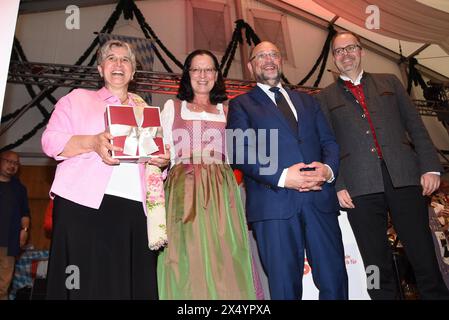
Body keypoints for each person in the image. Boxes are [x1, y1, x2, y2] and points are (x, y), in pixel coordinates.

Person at [317, 31, 449, 300]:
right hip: (358, 186)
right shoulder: (324, 97)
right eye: (339, 51)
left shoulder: (390, 82)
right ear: (333, 57)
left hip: (404, 177)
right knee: (374, 262)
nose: (346, 54)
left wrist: (431, 167)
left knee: (422, 252)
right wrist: (338, 184)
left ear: (361, 51)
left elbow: (415, 125)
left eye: (350, 48)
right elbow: (326, 144)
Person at [41, 40, 170, 299]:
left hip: (135, 209)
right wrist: (92, 142)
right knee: (84, 286)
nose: (119, 64)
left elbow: (155, 167)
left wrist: (162, 162)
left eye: (125, 60)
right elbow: (50, 141)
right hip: (83, 206)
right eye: (111, 58)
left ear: (133, 72)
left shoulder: (147, 113)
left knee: (129, 286)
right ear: (100, 69)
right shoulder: (77, 99)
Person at [226, 41, 348, 300]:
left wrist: (327, 170)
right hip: (274, 207)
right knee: (284, 289)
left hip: (319, 202)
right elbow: (239, 151)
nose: (269, 60)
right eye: (261, 56)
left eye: (274, 54)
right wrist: (282, 177)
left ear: (280, 61)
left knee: (335, 281)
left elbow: (329, 142)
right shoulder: (241, 105)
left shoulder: (308, 101)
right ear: (250, 66)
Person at [157, 49, 257, 299]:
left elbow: (241, 153)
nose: (203, 75)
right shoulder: (173, 107)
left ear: (216, 75)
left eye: (209, 69)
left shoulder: (229, 110)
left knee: (224, 252)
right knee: (186, 254)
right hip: (184, 188)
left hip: (222, 189)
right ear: (187, 74)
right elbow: (163, 153)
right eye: (196, 69)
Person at [0, 151, 30, 300]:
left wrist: (24, 230)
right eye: (9, 161)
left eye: (16, 163)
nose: (12, 165)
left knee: (3, 287)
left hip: (8, 244)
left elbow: (25, 213)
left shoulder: (20, 189)